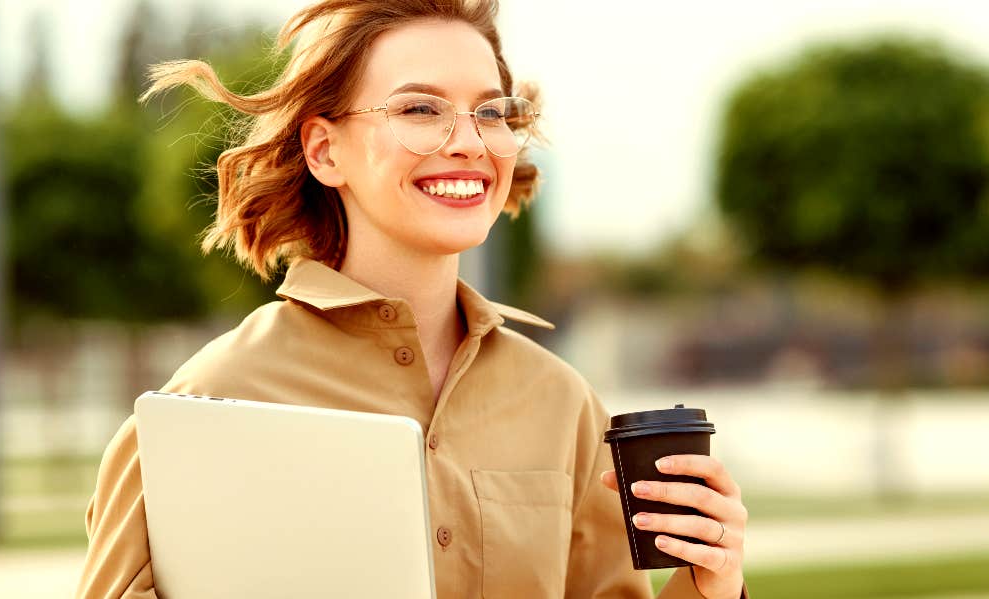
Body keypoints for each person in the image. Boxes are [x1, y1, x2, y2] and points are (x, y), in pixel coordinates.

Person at [76, 1, 750, 597]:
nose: (468, 141)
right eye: (420, 108)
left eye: (490, 111)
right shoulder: (201, 407)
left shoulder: (562, 402)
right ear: (324, 150)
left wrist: (710, 584)